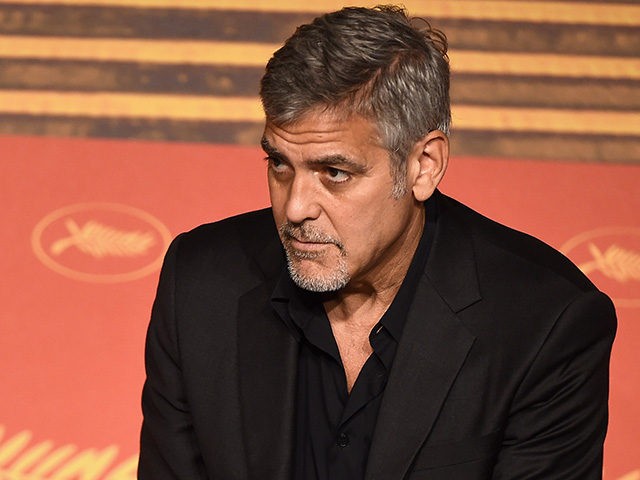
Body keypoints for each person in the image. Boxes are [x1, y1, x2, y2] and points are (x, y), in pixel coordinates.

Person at [138, 5, 616, 479]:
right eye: (280, 164)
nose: (295, 208)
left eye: (335, 172)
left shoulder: (545, 325)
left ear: (424, 165)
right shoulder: (200, 284)